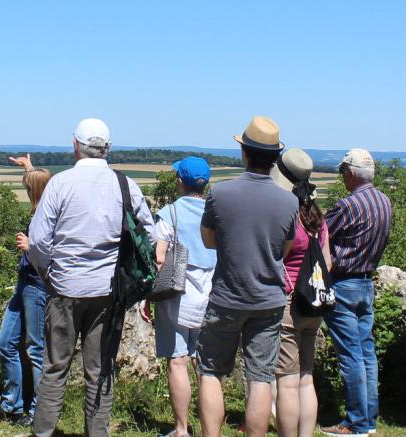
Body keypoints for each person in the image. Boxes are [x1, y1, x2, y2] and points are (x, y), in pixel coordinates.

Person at [27, 119, 155, 437]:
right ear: (107, 148)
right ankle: (97, 432)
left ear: (75, 146)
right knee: (99, 370)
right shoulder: (126, 185)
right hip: (108, 290)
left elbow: (39, 241)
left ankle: (43, 432)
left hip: (64, 287)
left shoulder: (60, 184)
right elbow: (149, 236)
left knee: (55, 366)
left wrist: (48, 272)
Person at [197, 116, 297, 437]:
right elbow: (285, 248)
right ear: (274, 159)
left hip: (227, 295)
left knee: (211, 371)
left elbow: (208, 240)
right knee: (260, 377)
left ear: (244, 153)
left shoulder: (220, 193)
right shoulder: (289, 201)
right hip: (268, 299)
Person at [139, 156, 218, 437]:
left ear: (181, 181)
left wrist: (150, 296)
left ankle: (182, 429)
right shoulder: (216, 212)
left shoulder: (170, 213)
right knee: (205, 366)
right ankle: (210, 428)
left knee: (177, 360)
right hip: (212, 293)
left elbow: (160, 257)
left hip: (178, 293)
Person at [321, 148, 392, 437]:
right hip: (366, 282)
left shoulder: (348, 206)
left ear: (351, 174)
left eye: (342, 172)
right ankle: (369, 417)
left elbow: (321, 233)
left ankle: (355, 422)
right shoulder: (384, 202)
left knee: (350, 355)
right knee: (366, 353)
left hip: (344, 283)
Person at [270, 148, 331, 437]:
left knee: (286, 380)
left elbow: (274, 260)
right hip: (314, 303)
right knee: (306, 378)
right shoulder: (319, 221)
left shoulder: (286, 218)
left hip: (289, 304)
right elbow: (328, 263)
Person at [0, 154, 52, 426]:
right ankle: (12, 405)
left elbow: (56, 253)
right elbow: (34, 180)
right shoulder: (40, 209)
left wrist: (31, 247)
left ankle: (37, 411)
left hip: (37, 286)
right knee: (5, 344)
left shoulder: (50, 216)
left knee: (36, 349)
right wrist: (28, 167)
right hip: (24, 282)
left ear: (34, 192)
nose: (25, 190)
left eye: (29, 187)